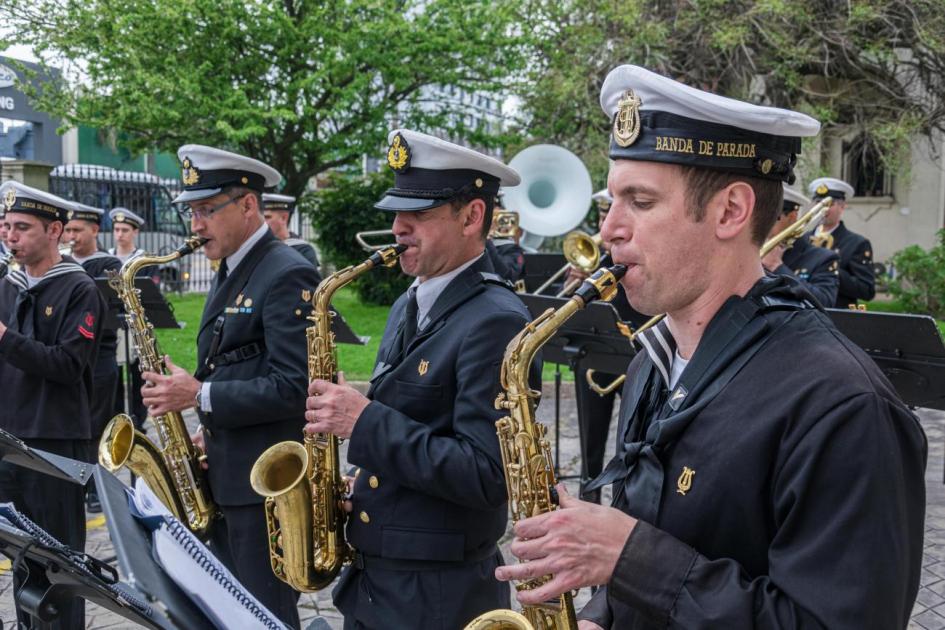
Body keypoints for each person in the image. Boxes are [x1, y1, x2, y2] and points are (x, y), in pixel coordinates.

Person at [494, 65, 927, 630]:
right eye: (611, 203)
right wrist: (603, 612)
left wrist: (629, 558)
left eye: (640, 202)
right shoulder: (655, 360)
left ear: (730, 211)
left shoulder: (842, 405)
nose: (608, 232)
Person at [303, 129, 540, 629]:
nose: (397, 227)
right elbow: (418, 427)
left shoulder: (497, 319)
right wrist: (367, 485)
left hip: (436, 597)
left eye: (420, 214)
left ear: (473, 216)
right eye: (396, 213)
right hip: (378, 584)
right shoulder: (410, 300)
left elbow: (486, 476)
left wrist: (362, 421)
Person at [139, 145, 318, 628]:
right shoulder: (231, 267)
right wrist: (208, 428)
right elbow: (238, 362)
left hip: (264, 489)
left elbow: (294, 386)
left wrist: (198, 396)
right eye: (192, 212)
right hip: (230, 472)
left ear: (247, 205)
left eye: (206, 210)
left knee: (263, 614)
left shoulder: (286, 271)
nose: (195, 224)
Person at [0, 181, 106, 629]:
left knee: (58, 566)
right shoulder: (7, 285)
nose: (10, 236)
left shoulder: (79, 289)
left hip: (55, 443)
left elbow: (66, 364)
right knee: (22, 561)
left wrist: (5, 339)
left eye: (21, 227)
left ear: (55, 230)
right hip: (9, 439)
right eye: (5, 226)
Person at [568, 187, 646, 503]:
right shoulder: (600, 260)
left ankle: (627, 501)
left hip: (636, 357)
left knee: (633, 441)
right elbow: (567, 316)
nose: (606, 222)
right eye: (602, 214)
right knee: (591, 437)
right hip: (597, 357)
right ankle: (589, 493)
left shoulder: (641, 257)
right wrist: (572, 285)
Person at [64, 202, 122, 513]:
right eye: (68, 229)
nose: (71, 236)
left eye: (77, 230)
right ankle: (78, 479)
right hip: (74, 354)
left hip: (100, 355)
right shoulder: (61, 263)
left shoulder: (108, 264)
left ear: (94, 230)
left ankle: (97, 484)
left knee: (98, 421)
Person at [761, 185, 839, 307]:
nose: (762, 221)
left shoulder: (823, 258)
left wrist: (777, 266)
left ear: (792, 217)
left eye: (771, 217)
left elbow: (825, 302)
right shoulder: (750, 250)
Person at [808, 177, 876, 308]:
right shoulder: (802, 239)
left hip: (836, 316)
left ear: (842, 206)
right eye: (818, 202)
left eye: (830, 204)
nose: (823, 209)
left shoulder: (857, 243)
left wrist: (829, 268)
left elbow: (867, 290)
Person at [262, 193, 322, 274]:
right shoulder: (260, 246)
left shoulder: (303, 250)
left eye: (267, 217)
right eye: (261, 217)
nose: (263, 222)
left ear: (284, 218)